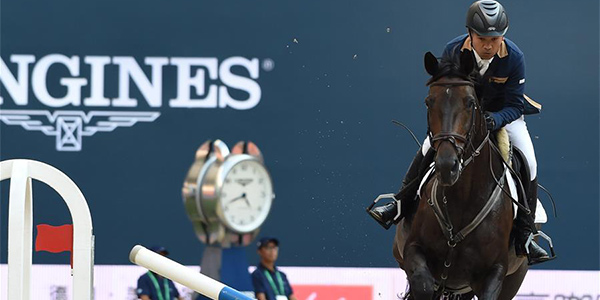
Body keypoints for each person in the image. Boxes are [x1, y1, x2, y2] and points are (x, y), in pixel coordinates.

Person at [368, 0, 553, 265]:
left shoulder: (514, 57)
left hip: (502, 116)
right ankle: (398, 203)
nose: (489, 45)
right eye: (482, 39)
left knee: (529, 160)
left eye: (495, 38)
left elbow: (514, 104)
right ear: (470, 34)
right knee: (427, 148)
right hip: (461, 117)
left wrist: (494, 119)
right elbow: (447, 93)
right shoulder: (453, 49)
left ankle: (525, 233)